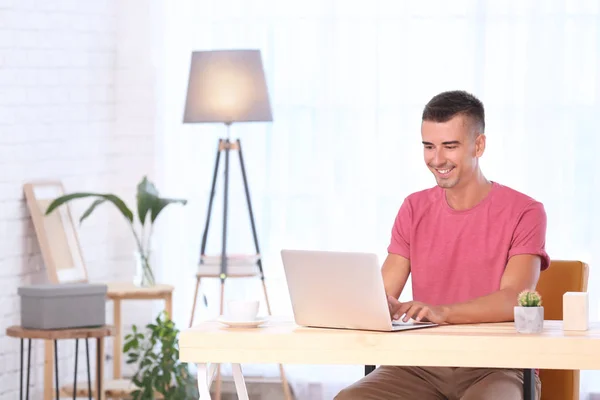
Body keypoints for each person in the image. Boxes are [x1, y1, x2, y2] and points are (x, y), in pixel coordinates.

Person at [334, 90, 550, 400]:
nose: (437, 160)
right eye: (429, 146)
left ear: (479, 145)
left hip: (497, 365)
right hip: (420, 364)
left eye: (450, 146)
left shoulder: (525, 211)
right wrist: (380, 305)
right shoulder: (414, 207)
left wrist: (441, 311)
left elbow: (513, 299)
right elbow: (383, 292)